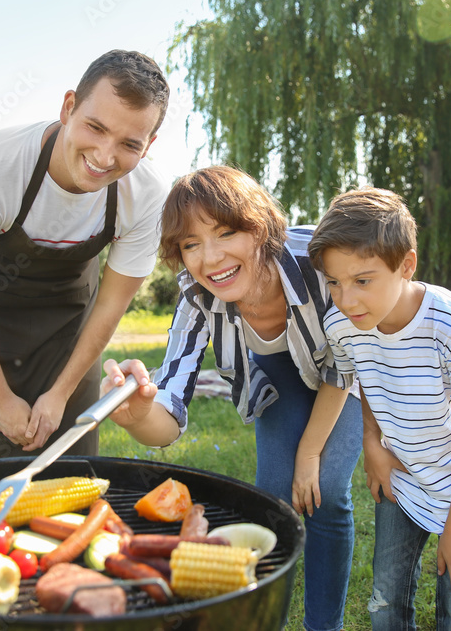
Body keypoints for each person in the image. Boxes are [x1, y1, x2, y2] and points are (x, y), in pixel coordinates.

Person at [102, 166, 363, 631]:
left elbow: (346, 363)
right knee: (273, 496)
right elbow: (169, 413)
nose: (211, 257)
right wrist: (138, 413)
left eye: (226, 232)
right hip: (279, 374)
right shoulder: (196, 300)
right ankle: (261, 618)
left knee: (326, 488)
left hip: (343, 374)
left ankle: (325, 626)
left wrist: (316, 451)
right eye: (191, 244)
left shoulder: (321, 264)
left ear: (260, 227)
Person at [0, 49, 170, 465]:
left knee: (68, 477)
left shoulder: (146, 197)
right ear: (69, 107)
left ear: (149, 146)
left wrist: (61, 393)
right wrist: (1, 399)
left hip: (72, 337)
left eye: (129, 144)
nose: (105, 157)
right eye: (95, 127)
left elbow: (111, 305)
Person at [307, 188, 451, 631]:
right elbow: (365, 379)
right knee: (385, 600)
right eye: (333, 282)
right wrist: (372, 443)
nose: (346, 299)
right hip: (401, 474)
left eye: (362, 280)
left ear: (406, 266)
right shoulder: (343, 325)